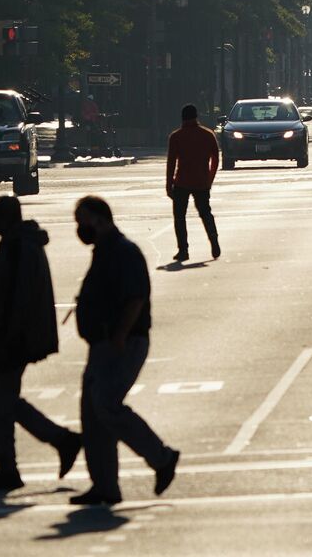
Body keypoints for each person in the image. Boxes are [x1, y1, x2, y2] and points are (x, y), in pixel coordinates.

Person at [70, 196, 180, 505]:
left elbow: (136, 297)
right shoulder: (103, 251)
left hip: (124, 342)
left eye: (84, 221)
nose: (80, 228)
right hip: (101, 344)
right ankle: (105, 486)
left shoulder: (123, 251)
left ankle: (161, 457)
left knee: (106, 404)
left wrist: (119, 334)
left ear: (101, 219)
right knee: (92, 415)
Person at [0, 195, 80, 491]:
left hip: (12, 340)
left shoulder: (16, 248)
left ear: (8, 219)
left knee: (1, 402)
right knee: (6, 402)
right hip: (14, 338)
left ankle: (22, 460)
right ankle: (50, 445)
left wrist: (6, 338)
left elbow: (16, 300)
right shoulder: (23, 243)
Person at [165, 103, 221, 263]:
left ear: (182, 119)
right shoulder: (208, 135)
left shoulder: (176, 137)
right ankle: (214, 240)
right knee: (205, 213)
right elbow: (216, 159)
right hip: (202, 181)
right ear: (197, 117)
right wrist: (209, 179)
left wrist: (169, 185)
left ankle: (183, 250)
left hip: (182, 181)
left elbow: (171, 164)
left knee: (179, 217)